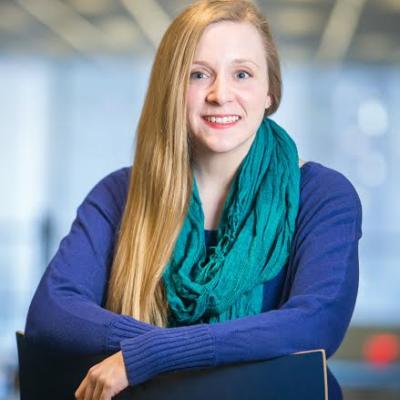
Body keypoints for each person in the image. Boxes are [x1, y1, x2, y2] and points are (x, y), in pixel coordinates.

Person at [24, 0, 363, 399]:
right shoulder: (119, 194)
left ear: (270, 89)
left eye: (242, 74)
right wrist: (164, 350)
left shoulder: (323, 196)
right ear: (173, 89)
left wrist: (149, 355)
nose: (221, 94)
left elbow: (315, 322)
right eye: (198, 74)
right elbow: (54, 312)